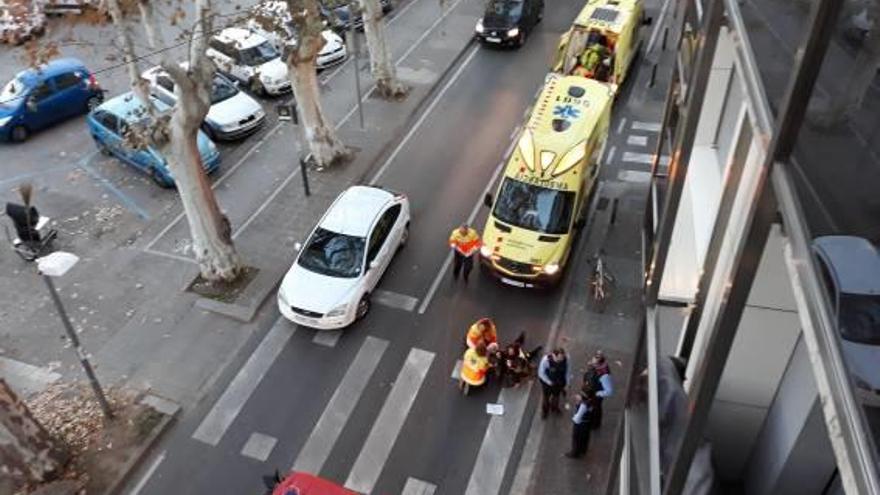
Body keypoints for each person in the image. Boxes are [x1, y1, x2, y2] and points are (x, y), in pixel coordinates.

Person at [583, 350, 614, 429]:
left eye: (594, 360)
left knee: (596, 409)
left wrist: (597, 393)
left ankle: (595, 424)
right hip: (590, 391)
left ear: (599, 363)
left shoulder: (604, 375)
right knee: (590, 407)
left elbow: (609, 391)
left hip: (596, 395)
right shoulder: (595, 367)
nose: (592, 360)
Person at [538, 348, 569, 418]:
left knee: (556, 397)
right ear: (554, 355)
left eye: (563, 357)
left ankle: (554, 408)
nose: (562, 359)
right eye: (560, 358)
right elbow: (541, 373)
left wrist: (567, 383)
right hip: (548, 384)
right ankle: (545, 411)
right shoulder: (546, 360)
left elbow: (567, 371)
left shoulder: (565, 359)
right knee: (546, 398)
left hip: (559, 382)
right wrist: (549, 382)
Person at [565, 385, 596, 458]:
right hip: (587, 422)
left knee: (576, 438)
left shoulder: (584, 405)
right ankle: (583, 450)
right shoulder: (591, 401)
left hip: (581, 424)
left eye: (582, 394)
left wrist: (573, 416)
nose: (580, 395)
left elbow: (578, 418)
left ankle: (575, 453)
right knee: (585, 437)